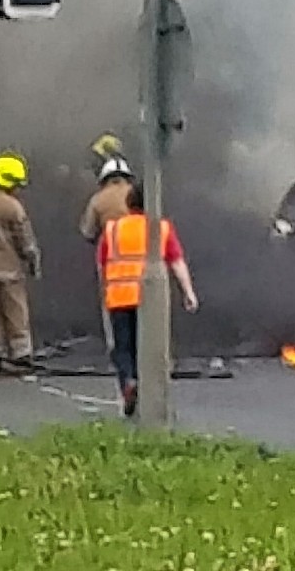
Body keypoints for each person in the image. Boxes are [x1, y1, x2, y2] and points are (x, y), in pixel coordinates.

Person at [97, 182, 199, 416]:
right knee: (150, 346)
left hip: (119, 297)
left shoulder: (113, 229)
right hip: (150, 300)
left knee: (123, 347)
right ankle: (151, 392)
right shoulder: (161, 228)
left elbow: (102, 265)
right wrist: (188, 292)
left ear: (128, 203)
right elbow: (176, 262)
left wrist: (105, 291)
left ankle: (128, 383)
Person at [0, 151, 42, 375]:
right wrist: (32, 260)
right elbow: (24, 238)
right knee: (15, 310)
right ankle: (21, 354)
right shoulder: (12, 206)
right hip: (8, 270)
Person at [80, 155, 136, 352]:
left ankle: (117, 348)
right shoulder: (137, 195)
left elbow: (88, 231)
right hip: (140, 258)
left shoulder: (98, 200)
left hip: (109, 258)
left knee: (111, 303)